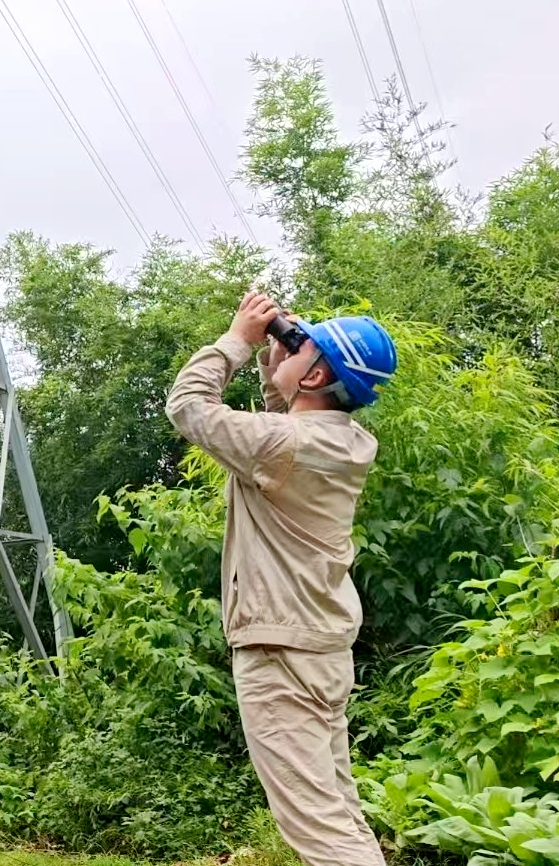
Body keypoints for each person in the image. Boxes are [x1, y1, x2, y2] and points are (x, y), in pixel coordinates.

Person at [164, 292, 398, 866]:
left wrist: (239, 341)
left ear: (315, 375)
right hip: (320, 645)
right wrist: (281, 367)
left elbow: (188, 405)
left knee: (319, 827)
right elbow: (287, 427)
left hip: (281, 651)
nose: (290, 347)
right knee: (337, 811)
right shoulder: (347, 441)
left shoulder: (285, 445)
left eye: (302, 347)